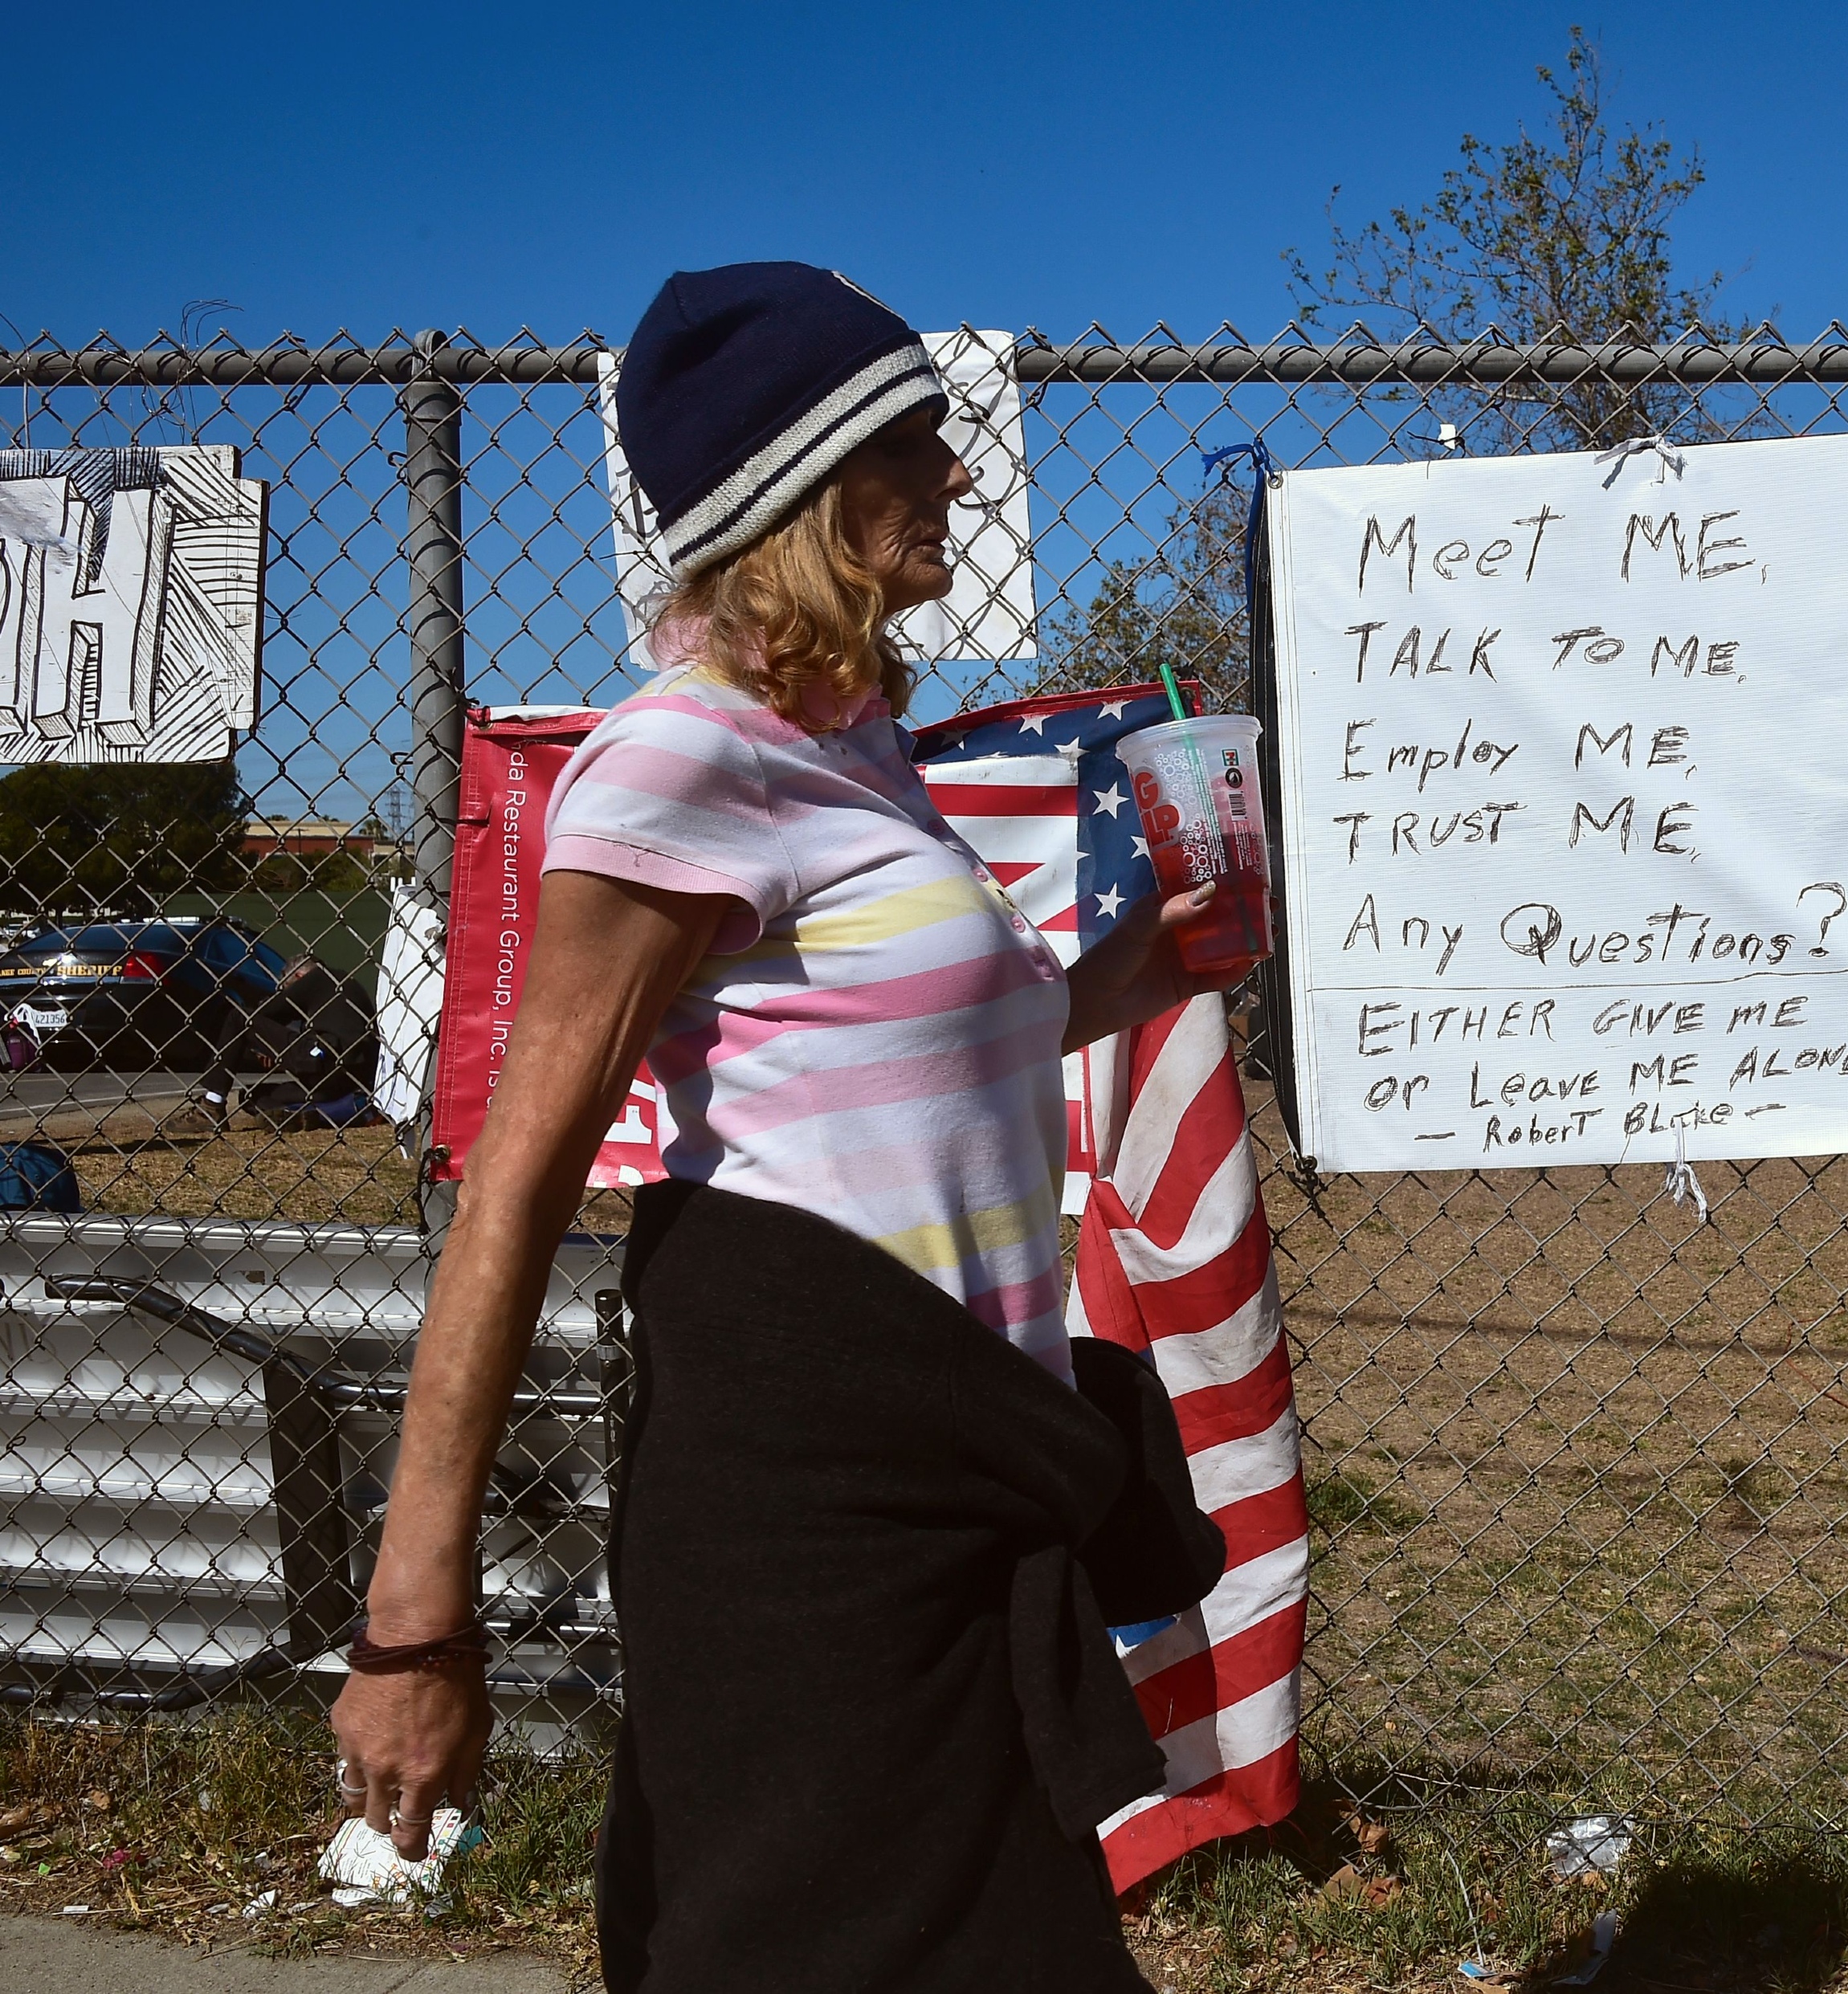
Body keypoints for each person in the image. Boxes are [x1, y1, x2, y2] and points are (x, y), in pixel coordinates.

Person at [330, 263, 1241, 1992]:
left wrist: (1124, 975)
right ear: (802, 487)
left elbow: (884, 1066)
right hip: (812, 1528)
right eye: (913, 441)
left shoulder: (855, 750)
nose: (958, 476)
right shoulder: (680, 759)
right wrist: (413, 1627)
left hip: (960, 1484)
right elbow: (514, 1188)